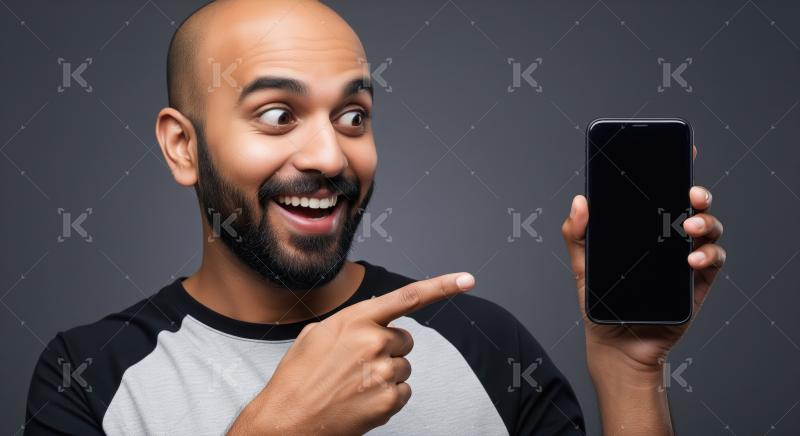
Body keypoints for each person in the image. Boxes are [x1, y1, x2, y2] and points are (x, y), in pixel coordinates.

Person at [24, 0, 726, 434]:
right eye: (277, 115)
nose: (331, 155)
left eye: (353, 115)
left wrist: (629, 376)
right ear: (184, 146)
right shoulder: (89, 375)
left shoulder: (485, 346)